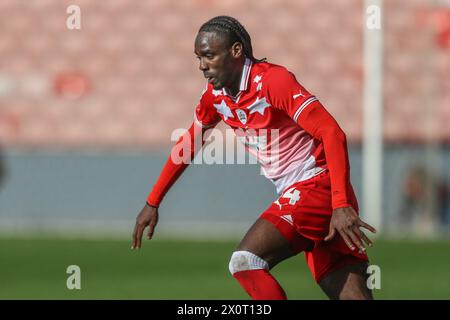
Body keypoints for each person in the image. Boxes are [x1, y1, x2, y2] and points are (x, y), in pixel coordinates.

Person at [131, 16, 377, 300]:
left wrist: (340, 204)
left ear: (236, 51)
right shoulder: (215, 96)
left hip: (317, 189)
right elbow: (190, 142)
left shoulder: (272, 80)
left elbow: (332, 133)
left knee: (245, 261)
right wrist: (153, 201)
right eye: (198, 58)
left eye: (209, 55)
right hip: (309, 198)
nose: (202, 65)